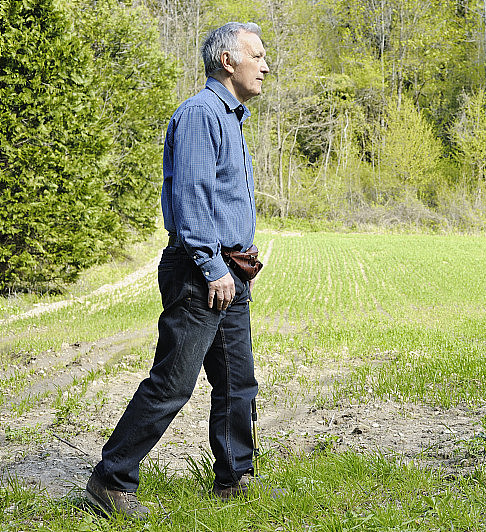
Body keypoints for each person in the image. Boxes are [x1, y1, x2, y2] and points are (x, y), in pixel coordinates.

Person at [85, 22, 270, 520]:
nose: (266, 66)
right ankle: (111, 478)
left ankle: (235, 476)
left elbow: (221, 199)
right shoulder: (199, 115)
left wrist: (241, 253)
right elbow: (190, 203)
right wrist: (213, 266)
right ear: (227, 60)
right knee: (173, 382)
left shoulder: (231, 117)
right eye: (258, 55)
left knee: (237, 381)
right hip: (200, 272)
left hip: (231, 269)